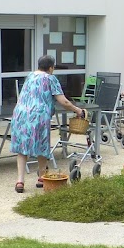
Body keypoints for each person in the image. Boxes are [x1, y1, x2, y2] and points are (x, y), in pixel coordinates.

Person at [9, 55, 84, 193]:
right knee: (42, 145)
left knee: (22, 148)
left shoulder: (30, 76)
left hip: (20, 114)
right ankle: (42, 177)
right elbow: (63, 101)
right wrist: (77, 110)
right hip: (38, 116)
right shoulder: (50, 79)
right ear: (51, 68)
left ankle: (20, 181)